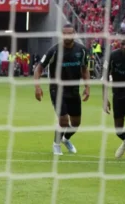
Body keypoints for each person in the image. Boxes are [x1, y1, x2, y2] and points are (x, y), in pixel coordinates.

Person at [34, 24, 90, 156]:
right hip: (57, 89)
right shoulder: (54, 51)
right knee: (64, 120)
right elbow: (39, 68)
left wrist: (87, 87)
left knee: (76, 123)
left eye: (69, 33)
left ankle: (66, 139)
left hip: (74, 90)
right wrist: (37, 86)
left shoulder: (81, 50)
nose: (67, 36)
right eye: (64, 33)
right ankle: (56, 144)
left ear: (74, 34)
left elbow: (84, 69)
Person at [102, 39, 125, 157]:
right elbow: (105, 78)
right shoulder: (112, 56)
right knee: (118, 129)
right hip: (118, 95)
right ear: (120, 45)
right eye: (123, 44)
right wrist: (105, 98)